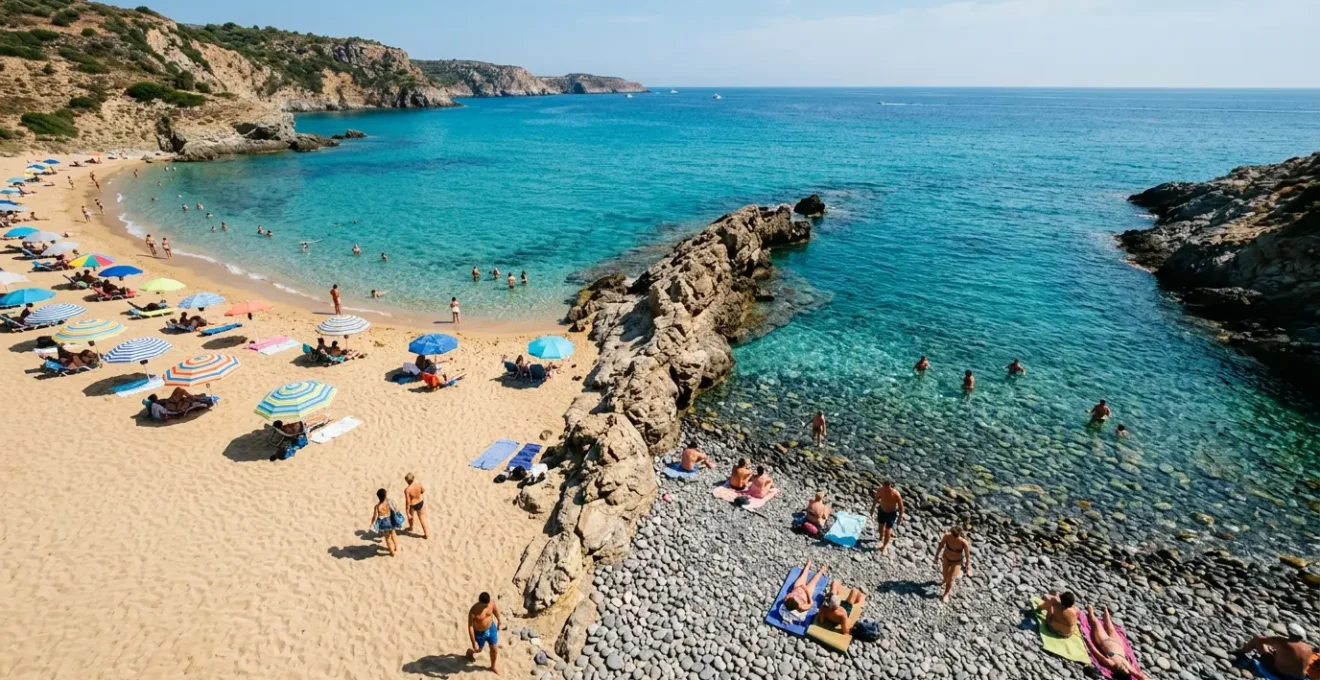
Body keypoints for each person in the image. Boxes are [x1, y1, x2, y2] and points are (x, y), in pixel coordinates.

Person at [1083, 605, 1148, 680]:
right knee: (1109, 626)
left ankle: (1091, 610)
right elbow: (1142, 676)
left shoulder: (1114, 665)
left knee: (1097, 624)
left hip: (1106, 642)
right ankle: (1105, 611)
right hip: (1116, 643)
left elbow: (1098, 655)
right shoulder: (1129, 668)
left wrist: (1088, 643)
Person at [1235, 624, 1319, 680]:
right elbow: (1293, 656)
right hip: (1299, 677)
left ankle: (1241, 652)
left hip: (1279, 673)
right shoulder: (1309, 648)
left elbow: (1261, 639)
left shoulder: (1281, 641)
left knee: (1258, 638)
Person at [466, 592, 504, 674]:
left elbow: (495, 611)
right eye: (484, 605)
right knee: (478, 650)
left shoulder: (491, 603)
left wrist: (499, 621)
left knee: (494, 648)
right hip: (479, 633)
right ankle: (469, 652)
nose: (487, 606)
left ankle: (493, 666)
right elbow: (470, 626)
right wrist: (473, 642)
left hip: (491, 629)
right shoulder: (473, 611)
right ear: (480, 602)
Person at [934, 526, 971, 602]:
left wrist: (967, 564)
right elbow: (941, 545)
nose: (954, 537)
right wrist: (936, 556)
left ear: (959, 534)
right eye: (953, 534)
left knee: (950, 579)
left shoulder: (963, 542)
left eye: (956, 535)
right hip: (946, 558)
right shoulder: (947, 536)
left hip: (956, 562)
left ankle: (946, 594)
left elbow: (967, 555)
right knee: (945, 575)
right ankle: (944, 581)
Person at [869, 479, 905, 555]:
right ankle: (881, 538)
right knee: (880, 527)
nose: (885, 487)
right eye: (884, 485)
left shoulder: (896, 494)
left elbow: (901, 506)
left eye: (887, 486)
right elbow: (876, 499)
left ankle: (884, 546)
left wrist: (900, 516)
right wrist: (872, 509)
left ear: (890, 486)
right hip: (882, 511)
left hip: (891, 514)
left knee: (888, 530)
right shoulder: (880, 490)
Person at [369, 488, 400, 557]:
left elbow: (374, 516)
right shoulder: (389, 502)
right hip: (390, 520)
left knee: (387, 538)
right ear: (385, 495)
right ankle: (396, 548)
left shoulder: (377, 506)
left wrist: (372, 523)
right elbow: (395, 508)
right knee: (393, 534)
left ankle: (392, 552)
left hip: (384, 523)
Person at [403, 472, 428, 539]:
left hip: (412, 505)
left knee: (411, 517)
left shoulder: (407, 490)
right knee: (422, 519)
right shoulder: (418, 484)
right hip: (420, 502)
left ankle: (411, 528)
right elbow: (423, 490)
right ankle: (426, 534)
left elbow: (407, 502)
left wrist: (407, 512)